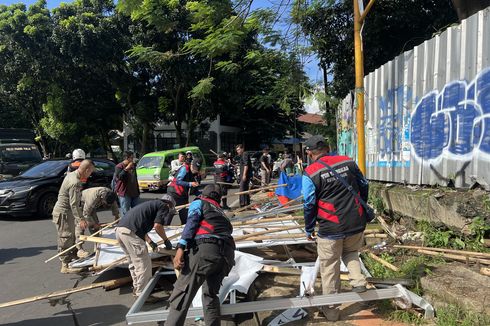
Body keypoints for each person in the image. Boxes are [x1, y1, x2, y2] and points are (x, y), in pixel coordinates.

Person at [302, 135, 369, 322]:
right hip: (356, 221)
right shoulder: (348, 161)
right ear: (328, 147)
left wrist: (309, 228)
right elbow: (364, 185)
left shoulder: (310, 172)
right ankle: (358, 280)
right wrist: (361, 208)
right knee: (351, 251)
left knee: (330, 267)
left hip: (330, 227)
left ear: (309, 152)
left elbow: (308, 203)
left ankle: (331, 311)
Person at [165, 185, 235, 326]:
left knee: (182, 295)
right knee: (210, 296)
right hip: (226, 256)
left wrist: (180, 248)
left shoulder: (200, 202)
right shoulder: (222, 213)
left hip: (206, 251)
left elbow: (192, 223)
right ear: (219, 199)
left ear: (204, 194)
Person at [115, 194, 175, 299]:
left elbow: (139, 226)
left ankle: (137, 288)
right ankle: (142, 295)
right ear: (169, 204)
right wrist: (166, 240)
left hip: (120, 231)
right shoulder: (164, 206)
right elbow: (158, 226)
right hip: (130, 233)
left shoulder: (150, 205)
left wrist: (150, 241)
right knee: (143, 264)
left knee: (133, 263)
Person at [52, 160, 94, 273]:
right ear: (86, 170)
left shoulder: (72, 174)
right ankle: (65, 265)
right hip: (63, 213)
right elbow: (74, 203)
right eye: (91, 172)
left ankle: (73, 258)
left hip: (67, 212)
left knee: (70, 237)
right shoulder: (75, 182)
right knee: (65, 237)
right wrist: (81, 219)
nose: (91, 175)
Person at [74, 187, 119, 258]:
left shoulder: (110, 194)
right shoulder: (92, 198)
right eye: (105, 203)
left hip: (91, 207)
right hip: (81, 205)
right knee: (81, 225)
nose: (106, 205)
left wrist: (116, 215)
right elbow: (86, 214)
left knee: (95, 227)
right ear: (102, 198)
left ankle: (97, 246)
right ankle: (79, 249)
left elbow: (114, 204)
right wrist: (94, 224)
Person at [167, 157, 198, 224]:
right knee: (171, 212)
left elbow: (194, 189)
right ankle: (164, 228)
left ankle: (185, 227)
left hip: (181, 195)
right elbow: (178, 181)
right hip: (174, 192)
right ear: (191, 164)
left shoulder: (189, 171)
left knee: (184, 213)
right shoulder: (184, 168)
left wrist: (202, 195)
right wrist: (190, 184)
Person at [114, 151, 140, 217]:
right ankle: (125, 226)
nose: (132, 159)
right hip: (125, 193)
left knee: (137, 211)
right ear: (126, 158)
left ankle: (135, 225)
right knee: (125, 212)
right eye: (131, 158)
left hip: (135, 193)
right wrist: (126, 169)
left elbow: (135, 178)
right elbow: (120, 178)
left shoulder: (133, 166)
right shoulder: (119, 166)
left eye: (133, 157)